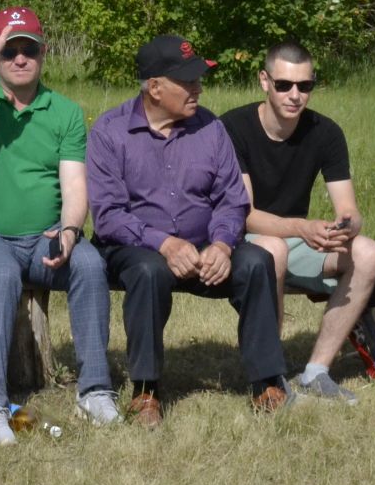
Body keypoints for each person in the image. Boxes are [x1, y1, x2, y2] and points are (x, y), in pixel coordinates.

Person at [88, 35, 290, 424]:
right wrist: (163, 243)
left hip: (205, 245)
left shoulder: (211, 128)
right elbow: (109, 216)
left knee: (257, 262)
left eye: (199, 79)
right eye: (188, 81)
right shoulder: (109, 133)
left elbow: (232, 200)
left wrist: (223, 244)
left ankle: (267, 381)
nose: (198, 88)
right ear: (155, 87)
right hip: (136, 246)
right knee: (148, 271)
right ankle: (146, 391)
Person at [0, 3, 117, 448]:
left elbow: (74, 182)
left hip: (45, 237)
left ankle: (95, 390)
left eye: (29, 50)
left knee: (90, 266)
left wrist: (69, 230)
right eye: (9, 52)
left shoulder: (62, 111)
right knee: (1, 276)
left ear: (43, 55)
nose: (20, 59)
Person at [221, 41, 375, 403]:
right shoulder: (233, 127)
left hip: (297, 239)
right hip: (241, 238)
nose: (295, 95)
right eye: (284, 85)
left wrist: (345, 226)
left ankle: (316, 371)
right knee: (273, 250)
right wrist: (302, 228)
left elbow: (349, 209)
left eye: (304, 86)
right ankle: (271, 375)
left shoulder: (325, 132)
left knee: (368, 253)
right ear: (264, 81)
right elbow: (242, 213)